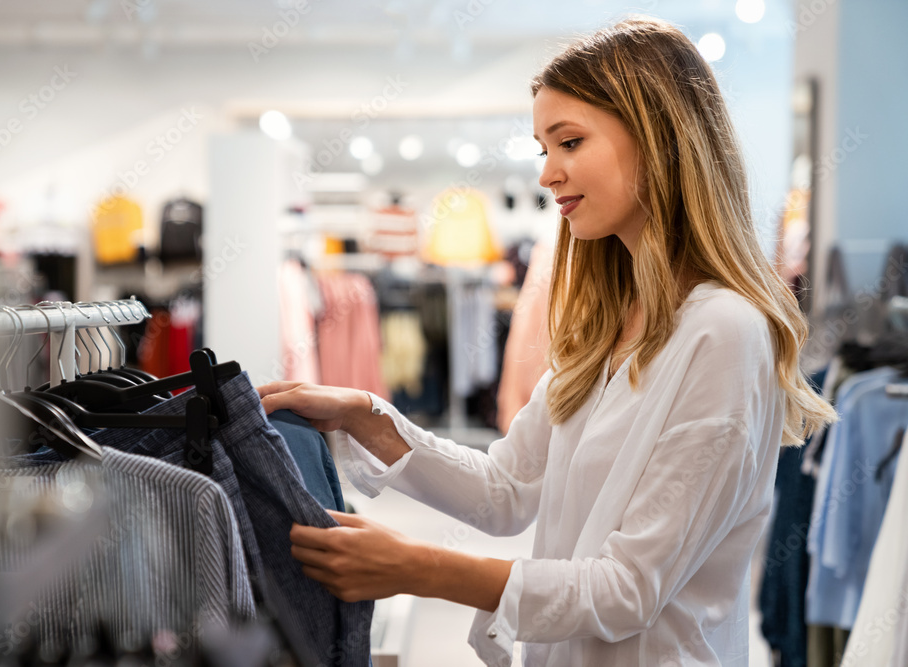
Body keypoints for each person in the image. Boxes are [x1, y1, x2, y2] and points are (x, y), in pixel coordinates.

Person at [257, 15, 837, 667]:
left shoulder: (724, 331)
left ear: (658, 136)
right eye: (543, 149)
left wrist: (418, 566)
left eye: (569, 142)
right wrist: (366, 416)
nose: (547, 174)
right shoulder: (609, 321)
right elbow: (506, 488)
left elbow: (627, 589)